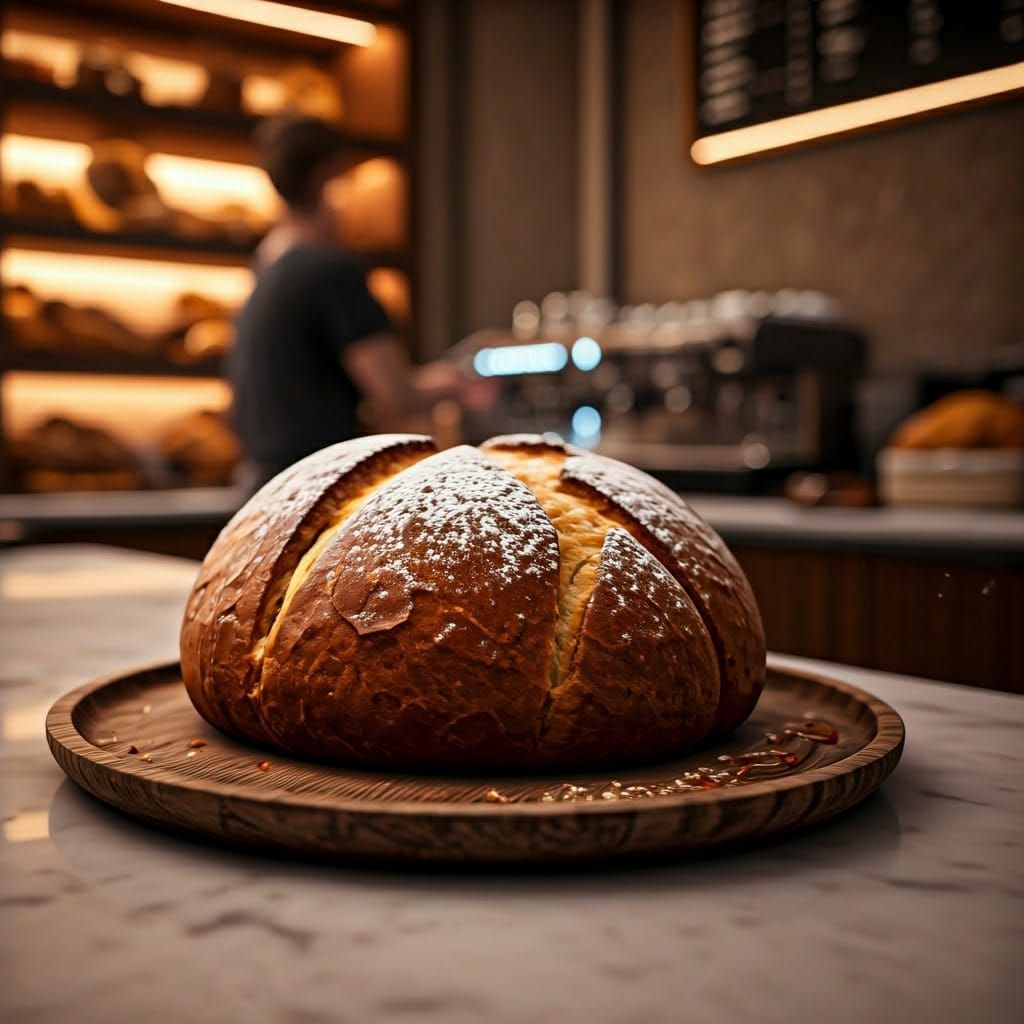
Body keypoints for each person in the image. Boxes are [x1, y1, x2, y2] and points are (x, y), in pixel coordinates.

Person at [231, 116, 484, 488]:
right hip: (317, 486)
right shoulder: (329, 269)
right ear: (326, 177)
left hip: (264, 485)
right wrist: (456, 380)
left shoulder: (266, 266)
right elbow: (396, 395)